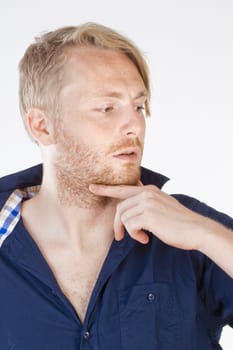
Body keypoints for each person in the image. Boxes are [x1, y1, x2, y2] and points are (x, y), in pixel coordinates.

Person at [0, 22, 232, 350]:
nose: (134, 126)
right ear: (43, 126)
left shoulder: (188, 228)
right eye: (107, 108)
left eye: (138, 106)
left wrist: (207, 235)